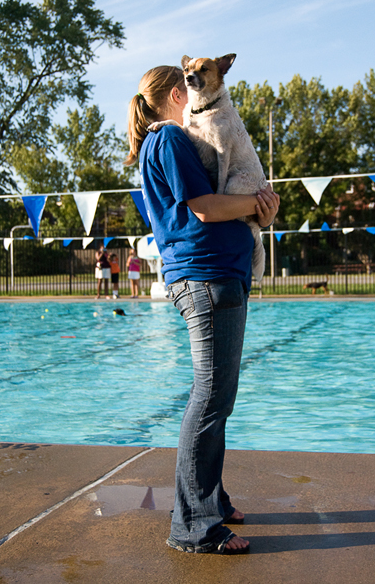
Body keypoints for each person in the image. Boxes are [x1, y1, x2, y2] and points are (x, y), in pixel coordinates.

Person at [125, 65, 280, 555]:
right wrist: (259, 205)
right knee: (211, 397)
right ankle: (194, 525)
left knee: (218, 396)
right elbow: (205, 208)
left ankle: (209, 499)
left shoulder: (165, 140)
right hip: (207, 275)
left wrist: (257, 208)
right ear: (176, 93)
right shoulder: (170, 138)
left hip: (216, 273)